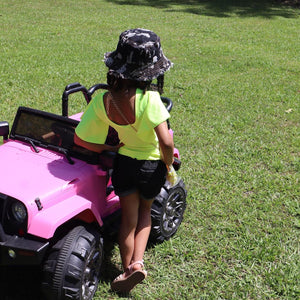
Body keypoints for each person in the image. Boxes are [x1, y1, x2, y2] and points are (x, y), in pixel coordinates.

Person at [74, 28, 174, 293]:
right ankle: (136, 265)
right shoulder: (150, 99)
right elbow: (165, 142)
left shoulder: (102, 101)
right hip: (151, 166)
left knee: (127, 219)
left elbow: (81, 140)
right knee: (145, 215)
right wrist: (167, 163)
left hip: (124, 164)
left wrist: (111, 145)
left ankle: (124, 268)